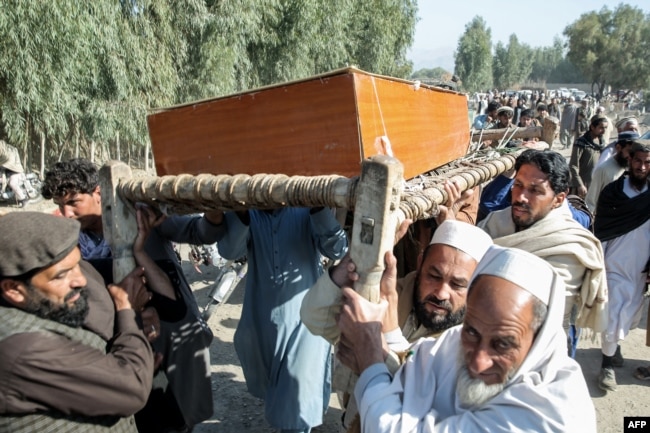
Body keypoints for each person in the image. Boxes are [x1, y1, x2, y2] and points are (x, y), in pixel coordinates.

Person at [40, 158, 225, 431]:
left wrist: (214, 206)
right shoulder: (68, 239)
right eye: (59, 205)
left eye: (73, 203)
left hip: (174, 327)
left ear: (99, 193)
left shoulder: (141, 215)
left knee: (183, 406)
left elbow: (200, 232)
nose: (65, 213)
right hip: (123, 335)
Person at [335, 246, 596, 432]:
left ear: (539, 340)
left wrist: (370, 359)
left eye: (503, 344)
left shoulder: (550, 413)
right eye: (471, 331)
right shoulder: (453, 340)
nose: (479, 362)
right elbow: (416, 359)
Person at [301, 220, 492, 432]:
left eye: (457, 285)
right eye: (434, 276)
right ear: (420, 264)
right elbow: (317, 320)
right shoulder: (387, 294)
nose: (441, 293)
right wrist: (354, 263)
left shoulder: (475, 342)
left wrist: (385, 338)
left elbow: (427, 403)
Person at [0, 212, 154, 432]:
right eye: (61, 275)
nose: (80, 280)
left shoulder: (40, 299)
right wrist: (128, 314)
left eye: (77, 265)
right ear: (14, 289)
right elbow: (132, 386)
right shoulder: (23, 349)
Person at [217, 207, 348, 433]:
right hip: (262, 321)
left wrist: (317, 208)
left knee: (295, 406)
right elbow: (229, 250)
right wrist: (241, 214)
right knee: (279, 395)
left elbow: (337, 249)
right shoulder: (250, 210)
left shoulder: (303, 208)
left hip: (304, 323)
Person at [478, 149, 607, 357]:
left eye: (535, 190)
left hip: (540, 353)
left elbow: (536, 316)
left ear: (559, 199)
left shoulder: (570, 247)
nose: (520, 197)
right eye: (518, 185)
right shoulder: (494, 223)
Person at [594, 140, 650, 391]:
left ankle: (614, 347)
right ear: (629, 161)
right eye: (638, 161)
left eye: (647, 163)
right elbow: (602, 231)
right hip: (613, 264)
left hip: (640, 269)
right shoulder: (614, 193)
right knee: (614, 314)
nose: (642, 166)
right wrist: (597, 266)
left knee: (630, 315)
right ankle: (606, 365)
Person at [585, 131, 636, 213]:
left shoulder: (636, 168)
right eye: (629, 151)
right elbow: (591, 202)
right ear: (619, 148)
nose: (631, 156)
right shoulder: (603, 169)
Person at [569, 114, 608, 198]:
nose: (604, 131)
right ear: (592, 127)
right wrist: (580, 184)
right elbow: (573, 165)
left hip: (596, 185)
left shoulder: (602, 143)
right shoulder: (581, 142)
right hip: (582, 187)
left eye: (605, 128)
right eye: (601, 128)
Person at [0, 140, 29, 207]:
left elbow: (10, 163)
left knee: (12, 183)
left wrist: (2, 167)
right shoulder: (2, 155)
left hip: (15, 171)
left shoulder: (10, 152)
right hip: (5, 171)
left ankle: (23, 199)